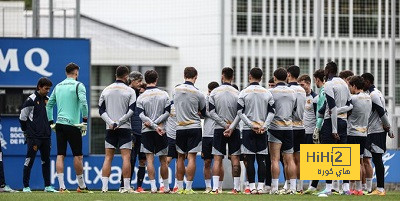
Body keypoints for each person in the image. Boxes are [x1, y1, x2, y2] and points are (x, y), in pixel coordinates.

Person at [46, 63, 91, 193]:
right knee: (78, 156)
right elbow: (84, 103)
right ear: (76, 72)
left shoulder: (58, 86)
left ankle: (62, 187)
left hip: (59, 124)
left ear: (66, 73)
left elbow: (49, 105)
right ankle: (81, 186)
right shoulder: (78, 85)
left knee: (60, 154)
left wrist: (51, 122)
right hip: (73, 125)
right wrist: (85, 121)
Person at [236, 67, 275, 194]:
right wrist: (264, 126)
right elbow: (272, 112)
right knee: (262, 160)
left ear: (250, 76)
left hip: (248, 130)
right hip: (263, 130)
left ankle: (252, 187)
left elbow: (239, 112)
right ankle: (261, 186)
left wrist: (251, 125)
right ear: (261, 78)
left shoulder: (243, 92)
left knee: (251, 159)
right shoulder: (267, 93)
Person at [317, 61, 352, 196]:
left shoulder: (328, 84)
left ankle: (328, 188)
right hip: (343, 121)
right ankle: (346, 188)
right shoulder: (344, 83)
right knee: (343, 156)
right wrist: (340, 110)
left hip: (331, 123)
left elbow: (331, 107)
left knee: (328, 155)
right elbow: (350, 105)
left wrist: (334, 130)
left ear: (327, 71)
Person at [99, 66, 136, 193]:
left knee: (108, 157)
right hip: (124, 127)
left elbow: (101, 110)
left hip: (110, 128)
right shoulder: (130, 90)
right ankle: (126, 187)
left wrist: (111, 122)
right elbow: (132, 110)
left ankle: (104, 187)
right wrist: (119, 122)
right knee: (126, 157)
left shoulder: (106, 89)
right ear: (126, 76)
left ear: (116, 75)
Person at [19, 77, 58, 193]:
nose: (48, 91)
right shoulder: (30, 100)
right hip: (34, 138)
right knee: (29, 161)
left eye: (49, 89)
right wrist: (26, 132)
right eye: (46, 88)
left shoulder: (48, 99)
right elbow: (22, 117)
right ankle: (26, 187)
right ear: (39, 87)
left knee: (46, 161)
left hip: (46, 137)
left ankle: (47, 187)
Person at [137, 70, 171, 193]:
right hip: (161, 130)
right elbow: (167, 113)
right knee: (163, 160)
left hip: (147, 131)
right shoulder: (164, 94)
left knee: (149, 160)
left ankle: (153, 187)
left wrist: (151, 124)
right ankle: (166, 187)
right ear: (156, 79)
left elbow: (140, 114)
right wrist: (156, 125)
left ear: (146, 80)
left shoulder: (141, 97)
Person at [174, 67, 206, 194]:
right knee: (192, 157)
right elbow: (203, 112)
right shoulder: (198, 93)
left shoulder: (175, 90)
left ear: (184, 75)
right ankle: (188, 188)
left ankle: (180, 187)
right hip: (194, 127)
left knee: (180, 157)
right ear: (196, 77)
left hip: (180, 127)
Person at [209, 67, 241, 194]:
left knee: (217, 159)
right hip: (235, 129)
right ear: (232, 77)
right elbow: (240, 112)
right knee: (235, 159)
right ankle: (236, 188)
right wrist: (231, 126)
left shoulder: (214, 92)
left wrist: (224, 125)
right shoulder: (238, 93)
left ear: (222, 76)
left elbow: (211, 112)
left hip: (219, 129)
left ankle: (215, 188)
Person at [362, 73, 394, 196]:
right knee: (373, 159)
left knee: (377, 158)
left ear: (368, 81)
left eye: (363, 81)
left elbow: (382, 112)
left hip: (376, 131)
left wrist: (389, 129)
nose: (361, 84)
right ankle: (375, 188)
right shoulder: (376, 92)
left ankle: (380, 188)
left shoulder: (374, 95)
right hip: (373, 130)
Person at [268, 68, 296, 194]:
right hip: (289, 128)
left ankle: (274, 188)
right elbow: (294, 110)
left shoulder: (271, 92)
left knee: (275, 159)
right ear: (286, 77)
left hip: (275, 128)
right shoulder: (293, 92)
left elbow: (268, 110)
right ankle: (293, 188)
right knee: (289, 159)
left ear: (274, 77)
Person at [118, 71, 147, 193]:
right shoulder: (128, 93)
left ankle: (139, 186)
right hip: (131, 131)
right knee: (130, 159)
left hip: (143, 132)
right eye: (139, 81)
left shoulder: (143, 96)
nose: (140, 84)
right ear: (132, 81)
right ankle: (124, 185)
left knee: (142, 160)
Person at [346, 76, 372, 195]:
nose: (349, 88)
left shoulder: (354, 98)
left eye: (350, 86)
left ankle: (357, 189)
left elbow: (346, 109)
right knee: (360, 161)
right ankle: (357, 188)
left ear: (355, 86)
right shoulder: (368, 97)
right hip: (363, 133)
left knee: (355, 163)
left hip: (353, 133)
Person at [303, 69, 325, 194]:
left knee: (314, 160)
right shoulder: (299, 96)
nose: (301, 87)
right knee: (302, 160)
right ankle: (301, 186)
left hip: (312, 132)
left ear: (309, 83)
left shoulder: (315, 98)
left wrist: (318, 129)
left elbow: (319, 115)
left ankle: (313, 184)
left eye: (303, 84)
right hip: (301, 131)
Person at [286, 66, 306, 193]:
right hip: (302, 126)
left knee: (288, 158)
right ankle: (299, 186)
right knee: (299, 158)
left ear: (288, 74)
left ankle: (289, 186)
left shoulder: (289, 90)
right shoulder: (302, 90)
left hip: (290, 126)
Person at [202, 81, 223, 194]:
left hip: (218, 133)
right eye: (209, 92)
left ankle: (219, 186)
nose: (209, 94)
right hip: (206, 134)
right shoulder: (205, 100)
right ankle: (208, 187)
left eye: (211, 92)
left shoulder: (219, 100)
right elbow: (203, 112)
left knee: (219, 162)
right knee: (207, 161)